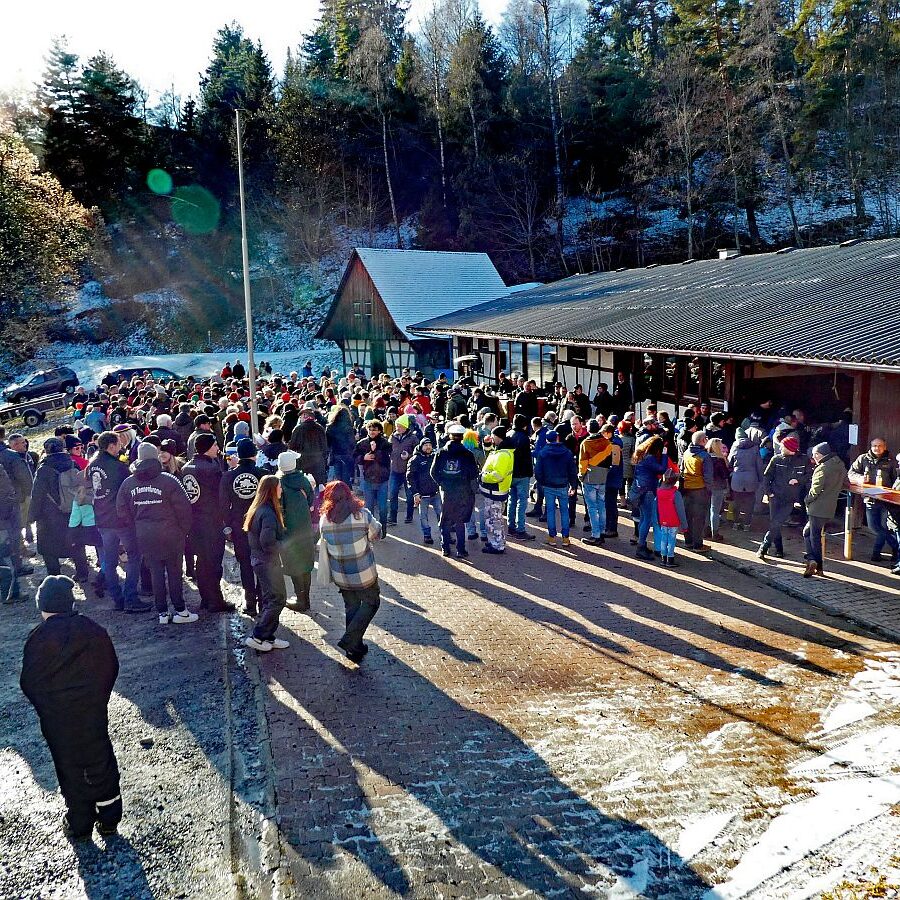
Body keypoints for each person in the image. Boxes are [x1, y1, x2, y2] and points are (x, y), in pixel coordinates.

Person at [20, 575, 122, 839]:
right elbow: (110, 666)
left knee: (68, 766)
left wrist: (48, 707)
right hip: (92, 713)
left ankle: (80, 821)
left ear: (43, 607)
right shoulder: (93, 630)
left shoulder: (38, 638)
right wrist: (98, 697)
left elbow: (29, 681)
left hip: (57, 720)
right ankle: (110, 817)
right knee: (100, 758)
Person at [118, 442, 195, 624]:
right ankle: (180, 610)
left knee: (156, 572)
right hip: (171, 534)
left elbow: (121, 511)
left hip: (144, 535)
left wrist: (137, 527)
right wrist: (183, 530)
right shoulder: (169, 480)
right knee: (175, 572)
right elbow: (184, 509)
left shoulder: (128, 483)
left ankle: (162, 613)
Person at [86, 432, 151, 614]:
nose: (121, 447)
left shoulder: (92, 465)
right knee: (134, 556)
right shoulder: (118, 467)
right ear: (111, 446)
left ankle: (117, 599)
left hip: (101, 518)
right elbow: (129, 491)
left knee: (110, 560)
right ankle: (130, 597)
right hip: (121, 520)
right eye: (118, 444)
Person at [319, 480, 382, 664]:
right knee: (372, 602)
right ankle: (350, 640)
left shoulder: (325, 520)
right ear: (349, 494)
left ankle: (355, 649)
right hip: (364, 573)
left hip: (340, 574)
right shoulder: (361, 514)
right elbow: (376, 533)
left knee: (352, 606)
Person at [181, 433, 234, 613]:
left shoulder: (187, 467)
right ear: (207, 447)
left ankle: (206, 598)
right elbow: (222, 493)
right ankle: (215, 601)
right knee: (213, 564)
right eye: (214, 445)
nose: (218, 448)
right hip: (211, 522)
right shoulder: (211, 468)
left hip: (194, 522)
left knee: (202, 562)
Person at [28, 438, 92, 581]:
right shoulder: (73, 463)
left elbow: (37, 494)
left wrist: (31, 516)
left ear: (46, 450)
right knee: (76, 542)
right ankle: (82, 574)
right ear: (63, 448)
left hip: (50, 515)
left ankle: (55, 577)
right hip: (73, 510)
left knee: (48, 547)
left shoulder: (43, 468)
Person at [244, 476, 290, 652]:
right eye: (279, 487)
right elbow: (268, 543)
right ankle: (258, 636)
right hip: (267, 563)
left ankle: (268, 637)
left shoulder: (259, 509)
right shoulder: (268, 513)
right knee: (278, 599)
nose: (281, 490)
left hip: (260, 561)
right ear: (272, 490)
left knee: (271, 598)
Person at [219, 438, 264, 616]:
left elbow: (223, 505)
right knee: (262, 563)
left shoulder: (228, 476)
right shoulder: (263, 474)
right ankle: (262, 600)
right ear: (254, 454)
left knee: (245, 564)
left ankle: (250, 602)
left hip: (239, 526)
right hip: (261, 525)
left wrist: (227, 527)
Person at [430, 423, 479, 558]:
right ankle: (461, 549)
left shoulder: (441, 452)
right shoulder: (468, 454)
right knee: (459, 520)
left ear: (449, 436)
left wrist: (442, 483)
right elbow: (474, 473)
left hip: (446, 491)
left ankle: (445, 548)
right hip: (462, 490)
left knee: (445, 519)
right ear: (462, 437)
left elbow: (433, 472)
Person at [848, 437, 899, 563]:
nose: (877, 448)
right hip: (870, 499)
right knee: (874, 527)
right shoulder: (863, 458)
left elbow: (896, 480)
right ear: (871, 447)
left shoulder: (891, 460)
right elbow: (851, 473)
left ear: (885, 447)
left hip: (886, 501)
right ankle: (895, 547)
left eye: (880, 445)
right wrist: (860, 478)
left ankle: (876, 553)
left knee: (884, 527)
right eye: (874, 446)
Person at [277, 451, 317, 612]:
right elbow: (310, 500)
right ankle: (305, 600)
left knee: (294, 565)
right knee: (306, 564)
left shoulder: (278, 483)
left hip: (288, 532)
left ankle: (300, 599)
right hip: (305, 529)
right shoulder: (303, 480)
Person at [758, 435, 809, 560]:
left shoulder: (803, 460)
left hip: (790, 498)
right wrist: (769, 492)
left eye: (783, 446)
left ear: (789, 448)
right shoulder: (776, 459)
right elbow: (767, 476)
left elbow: (809, 476)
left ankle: (764, 547)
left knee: (776, 522)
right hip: (775, 496)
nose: (780, 447)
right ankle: (779, 549)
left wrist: (797, 479)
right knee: (774, 523)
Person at [802, 442, 847, 578]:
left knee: (814, 536)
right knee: (808, 532)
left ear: (817, 454)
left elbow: (815, 490)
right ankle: (813, 561)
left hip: (817, 508)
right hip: (830, 507)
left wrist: (806, 499)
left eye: (814, 455)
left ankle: (815, 563)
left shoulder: (822, 468)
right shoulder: (840, 465)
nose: (813, 458)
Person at [535, 430, 578, 547]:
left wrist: (542, 482)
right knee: (565, 511)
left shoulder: (543, 453)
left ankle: (552, 537)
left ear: (547, 440)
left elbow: (538, 471)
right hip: (563, 485)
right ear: (557, 438)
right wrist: (573, 485)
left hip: (548, 485)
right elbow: (572, 471)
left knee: (550, 511)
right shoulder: (567, 452)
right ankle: (565, 537)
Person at [631, 435, 668, 560]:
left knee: (643, 518)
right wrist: (664, 455)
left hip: (639, 490)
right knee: (647, 520)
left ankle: (642, 544)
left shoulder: (641, 456)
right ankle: (640, 547)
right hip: (647, 491)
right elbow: (662, 469)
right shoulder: (650, 458)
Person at [479, 427, 515, 554]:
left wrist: (482, 476)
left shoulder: (503, 454)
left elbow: (497, 475)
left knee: (495, 520)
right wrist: (487, 445)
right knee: (492, 519)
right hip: (494, 491)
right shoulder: (501, 451)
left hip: (495, 491)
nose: (491, 437)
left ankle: (497, 545)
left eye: (492, 436)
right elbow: (491, 457)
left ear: (498, 437)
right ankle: (494, 541)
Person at [354, 421, 391, 536]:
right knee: (369, 509)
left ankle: (383, 530)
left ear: (379, 430)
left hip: (382, 480)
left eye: (374, 430)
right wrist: (363, 457)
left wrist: (375, 452)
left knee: (383, 508)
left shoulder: (385, 443)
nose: (372, 432)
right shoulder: (362, 443)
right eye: (370, 429)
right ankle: (371, 532)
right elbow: (354, 457)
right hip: (368, 479)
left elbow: (387, 460)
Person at [578, 420, 612, 545]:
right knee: (602, 505)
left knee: (592, 507)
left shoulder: (585, 443)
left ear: (588, 429)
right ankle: (602, 531)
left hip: (590, 477)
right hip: (603, 477)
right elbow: (609, 460)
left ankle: (596, 535)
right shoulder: (607, 442)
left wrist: (581, 475)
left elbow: (583, 462)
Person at [679, 432, 713, 552]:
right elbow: (708, 477)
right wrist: (709, 491)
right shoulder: (705, 456)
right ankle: (698, 545)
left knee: (687, 517)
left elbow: (682, 470)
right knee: (699, 518)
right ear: (703, 440)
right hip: (700, 490)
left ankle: (688, 541)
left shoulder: (687, 453)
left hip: (687, 489)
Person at [407, 436, 441, 545]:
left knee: (441, 515)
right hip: (422, 495)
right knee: (423, 517)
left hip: (436, 493)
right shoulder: (415, 459)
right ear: (421, 446)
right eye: (426, 445)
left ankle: (445, 535)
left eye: (430, 445)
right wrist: (415, 493)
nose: (428, 447)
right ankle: (427, 535)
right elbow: (410, 477)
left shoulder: (435, 457)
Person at [506, 415, 536, 541]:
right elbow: (526, 458)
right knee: (522, 502)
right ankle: (520, 530)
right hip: (522, 474)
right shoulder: (524, 438)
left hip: (510, 473)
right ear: (524, 425)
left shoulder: (508, 435)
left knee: (512, 500)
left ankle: (511, 527)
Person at [728, 430, 764, 531]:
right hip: (751, 478)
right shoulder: (755, 447)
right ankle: (747, 525)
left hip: (737, 478)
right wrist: (761, 479)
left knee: (736, 502)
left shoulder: (735, 446)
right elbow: (759, 465)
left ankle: (736, 523)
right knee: (750, 502)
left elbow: (730, 463)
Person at [388, 415, 418, 525]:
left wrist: (409, 456)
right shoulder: (392, 437)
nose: (398, 428)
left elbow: (418, 453)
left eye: (400, 426)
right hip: (394, 470)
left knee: (409, 496)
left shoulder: (413, 438)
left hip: (408, 472)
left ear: (405, 427)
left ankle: (409, 516)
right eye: (396, 426)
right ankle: (392, 518)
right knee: (392, 494)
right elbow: (388, 450)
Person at [656, 469, 688, 567]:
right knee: (671, 540)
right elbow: (681, 510)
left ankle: (663, 558)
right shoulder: (676, 494)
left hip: (663, 520)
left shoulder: (659, 491)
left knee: (663, 539)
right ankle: (670, 559)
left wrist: (658, 519)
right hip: (673, 521)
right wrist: (684, 525)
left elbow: (657, 508)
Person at [289, 407, 329, 487]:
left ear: (304, 416)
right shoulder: (320, 428)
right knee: (319, 486)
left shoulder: (298, 429)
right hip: (318, 461)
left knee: (305, 486)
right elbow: (324, 445)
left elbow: (293, 446)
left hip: (303, 462)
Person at [325, 405, 357, 486]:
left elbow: (328, 443)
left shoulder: (330, 427)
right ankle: (347, 494)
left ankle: (339, 494)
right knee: (346, 478)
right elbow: (352, 443)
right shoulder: (349, 428)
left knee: (338, 478)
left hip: (335, 454)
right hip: (347, 455)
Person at [707, 438, 730, 541]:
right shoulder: (719, 460)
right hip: (718, 487)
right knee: (715, 511)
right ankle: (714, 533)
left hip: (706, 486)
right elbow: (725, 474)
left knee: (707, 509)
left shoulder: (705, 457)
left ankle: (706, 530)